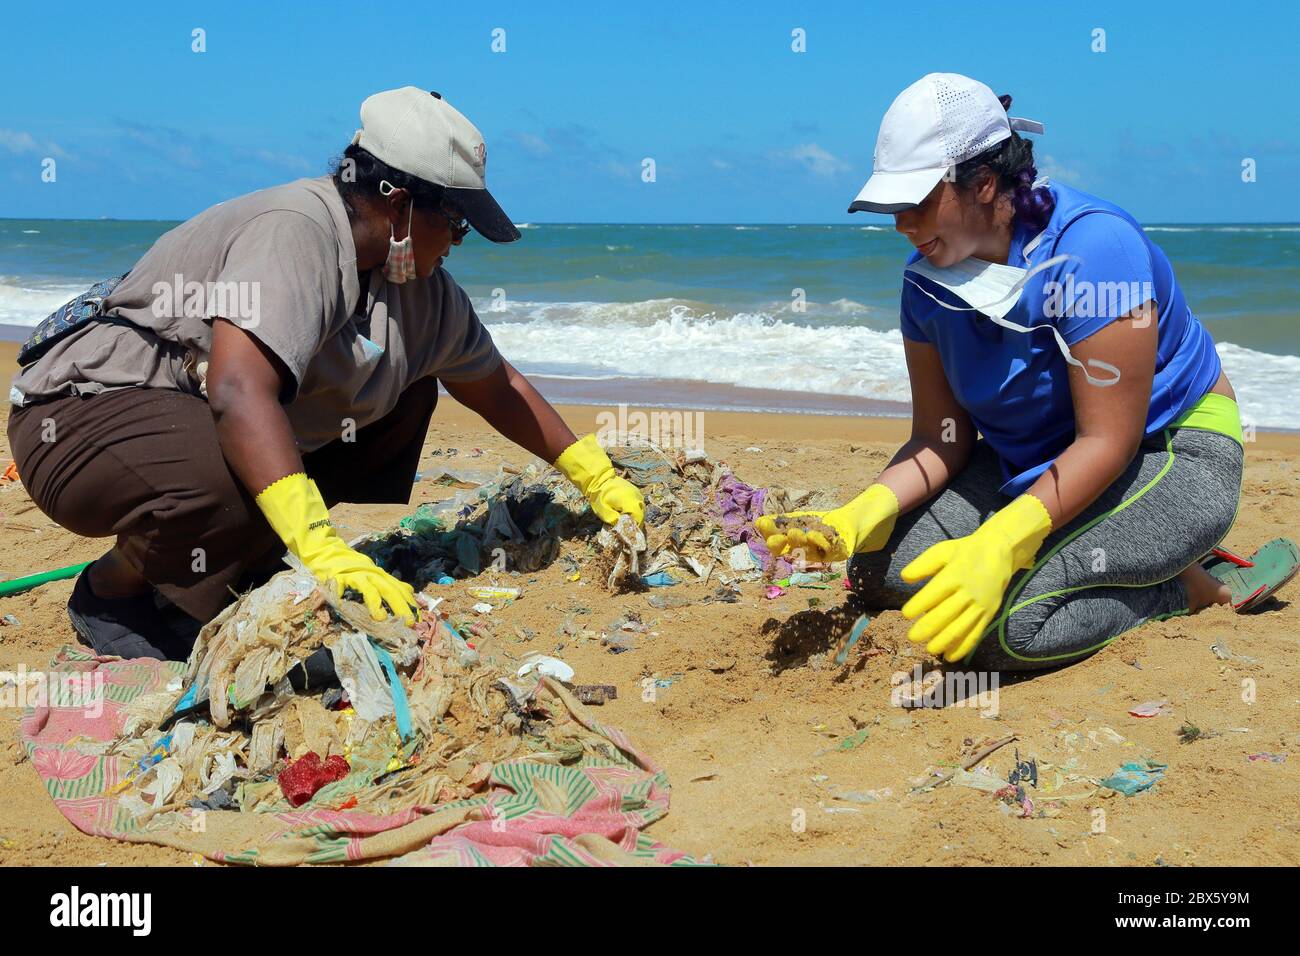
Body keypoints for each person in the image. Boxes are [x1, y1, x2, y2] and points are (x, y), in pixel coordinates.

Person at [8, 87, 643, 661]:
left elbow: (494, 385)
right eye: (451, 222)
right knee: (232, 466)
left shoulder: (421, 293)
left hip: (186, 416)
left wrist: (591, 472)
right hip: (79, 413)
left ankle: (227, 566)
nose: (455, 242)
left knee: (406, 391)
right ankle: (111, 590)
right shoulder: (298, 231)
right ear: (398, 205)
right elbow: (236, 390)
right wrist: (319, 542)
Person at [758, 73, 1297, 671]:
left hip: (1168, 452)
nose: (901, 226)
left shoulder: (1094, 250)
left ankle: (1186, 587)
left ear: (984, 183)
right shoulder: (925, 283)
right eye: (892, 208)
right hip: (1038, 462)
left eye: (916, 203)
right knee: (885, 574)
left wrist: (1002, 541)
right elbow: (942, 438)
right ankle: (1140, 552)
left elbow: (1108, 441)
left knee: (1005, 632)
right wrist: (856, 515)